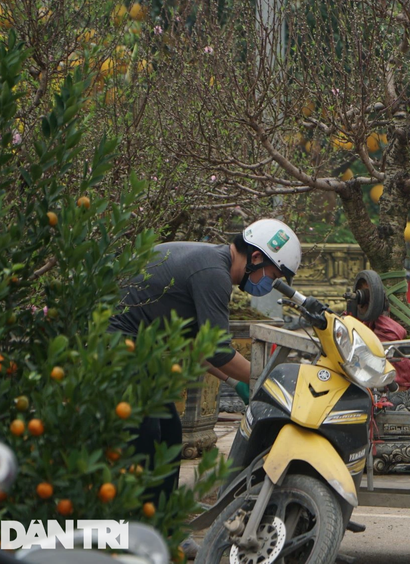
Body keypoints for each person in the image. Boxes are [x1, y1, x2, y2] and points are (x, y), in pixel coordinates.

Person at [110, 219, 301, 555]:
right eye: (273, 274)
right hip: (113, 340)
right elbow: (219, 351)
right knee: (144, 433)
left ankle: (163, 528)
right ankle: (130, 530)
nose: (270, 284)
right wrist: (265, 379)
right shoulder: (213, 272)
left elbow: (199, 347)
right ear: (255, 258)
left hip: (138, 347)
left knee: (168, 433)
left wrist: (233, 381)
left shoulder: (213, 265)